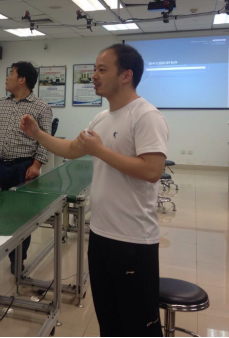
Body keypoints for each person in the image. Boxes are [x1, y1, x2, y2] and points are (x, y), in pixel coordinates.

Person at [20, 44, 169, 337]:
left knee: (138, 326)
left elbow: (152, 170)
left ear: (126, 75)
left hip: (133, 241)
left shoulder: (146, 116)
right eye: (94, 69)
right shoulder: (101, 118)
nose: (94, 76)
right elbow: (72, 149)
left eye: (102, 69)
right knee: (109, 322)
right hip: (101, 236)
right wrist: (37, 134)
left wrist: (99, 150)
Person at [0, 62, 52, 274]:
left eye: (11, 73)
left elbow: (45, 140)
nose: (7, 78)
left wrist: (36, 165)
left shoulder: (41, 107)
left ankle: (18, 259)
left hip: (23, 168)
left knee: (21, 217)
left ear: (22, 79)